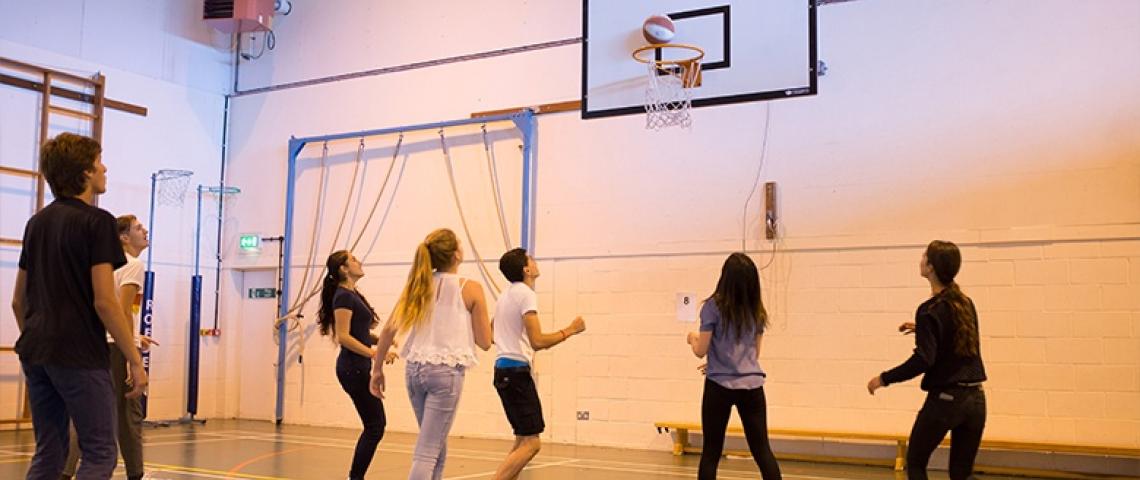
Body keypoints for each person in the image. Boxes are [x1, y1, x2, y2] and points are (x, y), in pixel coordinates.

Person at [10, 133, 148, 480]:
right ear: (85, 172)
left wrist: (40, 338)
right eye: (99, 162)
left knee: (49, 454)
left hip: (36, 352)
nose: (105, 168)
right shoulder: (97, 222)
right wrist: (134, 358)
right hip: (79, 354)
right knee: (101, 453)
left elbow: (17, 300)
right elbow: (105, 301)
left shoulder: (36, 223)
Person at [370, 228, 492, 480]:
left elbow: (388, 331)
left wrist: (377, 369)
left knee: (436, 445)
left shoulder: (418, 286)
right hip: (445, 374)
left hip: (414, 372)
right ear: (456, 254)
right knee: (427, 451)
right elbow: (485, 342)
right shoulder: (471, 288)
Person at [867, 240, 987, 480]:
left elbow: (923, 360)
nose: (921, 260)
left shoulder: (929, 310)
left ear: (931, 267)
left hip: (946, 400)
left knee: (916, 462)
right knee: (962, 473)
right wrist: (922, 329)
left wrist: (884, 378)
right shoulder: (965, 303)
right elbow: (957, 341)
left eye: (924, 256)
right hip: (976, 401)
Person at [61, 215, 159, 480]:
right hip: (116, 346)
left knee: (85, 413)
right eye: (139, 228)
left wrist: (136, 336)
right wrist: (133, 352)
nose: (145, 230)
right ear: (124, 238)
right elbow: (122, 310)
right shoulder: (133, 264)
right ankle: (135, 474)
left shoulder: (103, 265)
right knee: (130, 413)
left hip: (94, 343)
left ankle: (64, 471)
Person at [490, 248, 585, 480]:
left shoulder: (505, 296)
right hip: (515, 373)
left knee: (523, 439)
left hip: (502, 370)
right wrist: (570, 330)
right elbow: (538, 341)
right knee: (532, 444)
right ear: (526, 269)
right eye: (531, 259)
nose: (535, 260)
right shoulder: (525, 294)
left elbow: (491, 334)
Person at [685, 252, 781, 480]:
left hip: (719, 387)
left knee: (711, 451)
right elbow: (754, 353)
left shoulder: (712, 307)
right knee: (762, 450)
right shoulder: (756, 310)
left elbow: (701, 350)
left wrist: (691, 338)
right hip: (752, 387)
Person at [316, 250, 398, 480]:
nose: (358, 261)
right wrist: (375, 353)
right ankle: (355, 477)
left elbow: (359, 332)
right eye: (352, 259)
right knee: (375, 425)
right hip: (352, 368)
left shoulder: (353, 295)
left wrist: (382, 340)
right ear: (343, 269)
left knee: (375, 425)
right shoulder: (343, 296)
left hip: (358, 367)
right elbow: (343, 336)